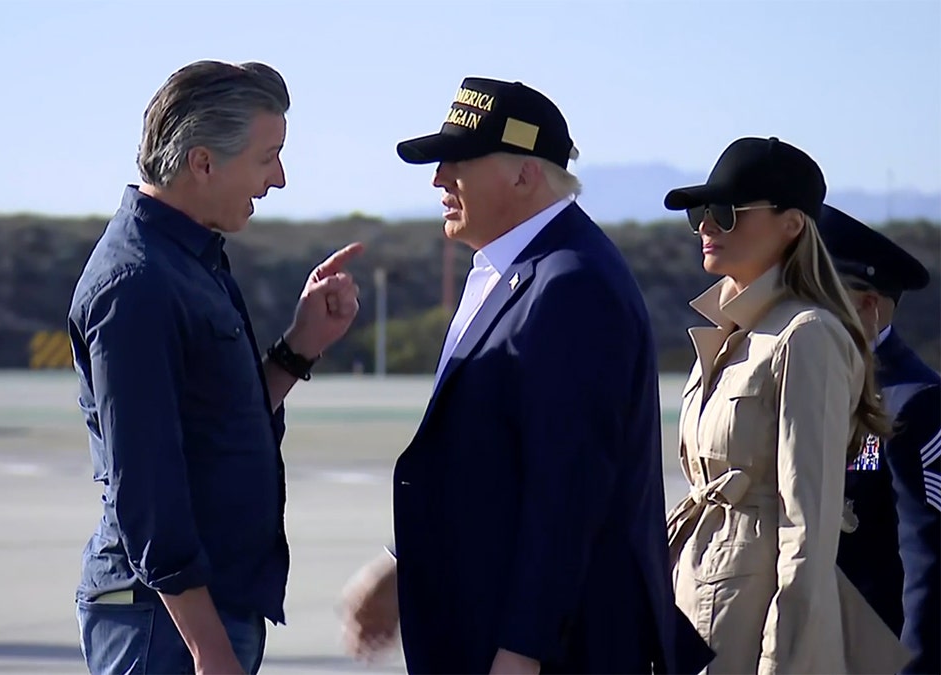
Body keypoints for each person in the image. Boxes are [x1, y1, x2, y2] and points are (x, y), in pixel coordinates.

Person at [339, 76, 714, 674]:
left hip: (553, 649)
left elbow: (568, 491)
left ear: (524, 174)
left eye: (459, 161)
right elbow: (485, 465)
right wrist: (401, 563)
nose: (439, 179)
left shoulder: (571, 284)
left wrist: (523, 649)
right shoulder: (515, 271)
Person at [68, 60, 363, 675]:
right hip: (165, 624)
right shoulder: (138, 285)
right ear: (203, 163)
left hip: (196, 614)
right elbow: (146, 486)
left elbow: (216, 427)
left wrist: (299, 347)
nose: (278, 178)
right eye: (267, 158)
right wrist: (208, 648)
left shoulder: (187, 261)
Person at [663, 137, 910, 674]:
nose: (706, 226)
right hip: (694, 600)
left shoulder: (807, 334)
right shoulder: (728, 334)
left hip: (751, 626)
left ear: (792, 224)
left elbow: (808, 528)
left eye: (726, 211)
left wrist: (783, 662)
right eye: (699, 213)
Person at [819, 204, 939, 675]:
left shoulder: (915, 402)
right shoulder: (814, 382)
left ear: (867, 306)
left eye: (816, 298)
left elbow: (929, 563)